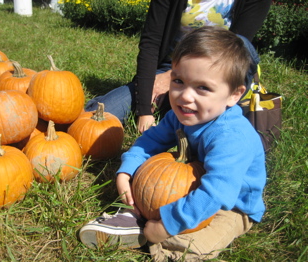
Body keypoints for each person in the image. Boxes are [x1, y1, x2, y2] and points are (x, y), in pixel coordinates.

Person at [79, 26, 267, 261]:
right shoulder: (181, 116)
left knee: (190, 244)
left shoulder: (231, 137)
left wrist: (168, 225)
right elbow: (150, 141)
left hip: (232, 205)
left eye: (203, 87)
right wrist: (127, 170)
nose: (185, 96)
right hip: (196, 184)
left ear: (233, 95)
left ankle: (157, 242)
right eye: (178, 80)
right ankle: (135, 221)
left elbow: (216, 193)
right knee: (150, 196)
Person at [85, 0, 272, 133]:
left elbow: (237, 51)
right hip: (171, 66)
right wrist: (144, 110)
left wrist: (172, 78)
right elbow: (151, 43)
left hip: (220, 74)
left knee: (240, 44)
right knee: (95, 117)